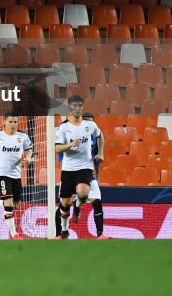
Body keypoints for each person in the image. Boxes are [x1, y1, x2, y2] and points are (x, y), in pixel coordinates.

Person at [54, 96, 103, 239]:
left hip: (85, 167)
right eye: (75, 105)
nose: (78, 108)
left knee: (84, 193)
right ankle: (63, 231)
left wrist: (101, 152)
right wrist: (70, 145)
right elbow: (57, 149)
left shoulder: (90, 126)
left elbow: (101, 135)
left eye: (80, 105)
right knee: (64, 203)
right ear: (69, 108)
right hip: (68, 169)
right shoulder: (63, 127)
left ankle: (99, 233)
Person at [0, 115, 33, 239]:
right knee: (9, 204)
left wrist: (27, 158)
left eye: (15, 122)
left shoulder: (23, 136)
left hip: (16, 174)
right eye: (10, 121)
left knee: (15, 205)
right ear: (4, 122)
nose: (13, 124)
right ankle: (14, 234)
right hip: (1, 173)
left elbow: (28, 149)